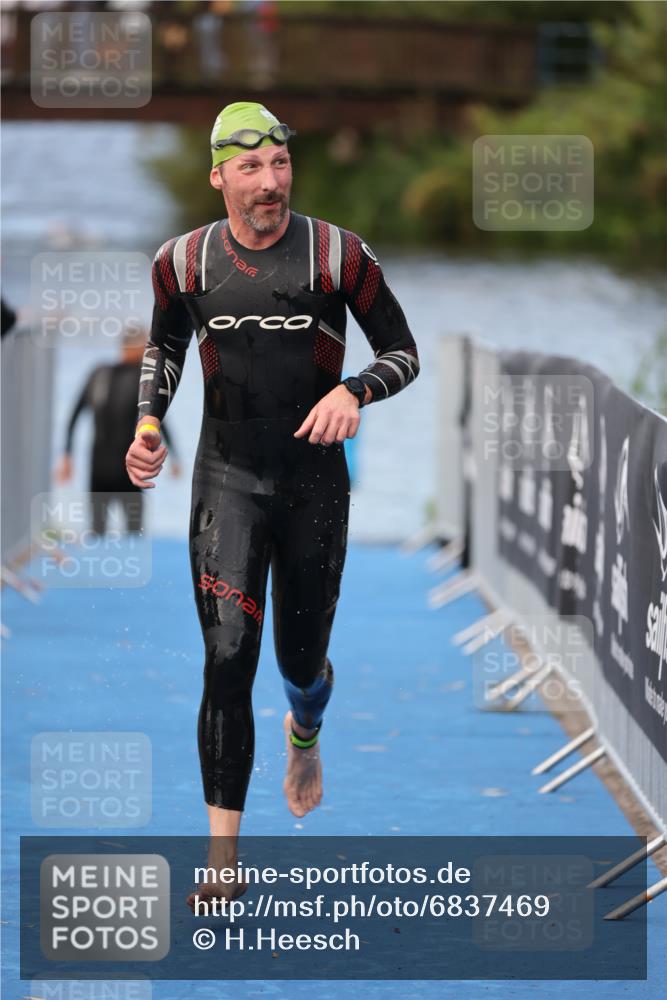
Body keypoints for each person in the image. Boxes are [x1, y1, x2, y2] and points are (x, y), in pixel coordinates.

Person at [124, 102, 420, 907]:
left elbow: (402, 352)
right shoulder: (181, 262)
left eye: (280, 164)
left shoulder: (337, 255)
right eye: (250, 168)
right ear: (218, 175)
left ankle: (306, 733)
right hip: (227, 478)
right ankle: (223, 859)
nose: (269, 182)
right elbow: (165, 345)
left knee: (296, 660)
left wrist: (356, 391)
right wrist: (148, 423)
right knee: (227, 660)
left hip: (314, 483)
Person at [55, 325, 181, 535]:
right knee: (135, 533)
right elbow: (157, 420)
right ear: (139, 348)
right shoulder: (143, 380)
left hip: (98, 467)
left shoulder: (98, 374)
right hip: (129, 468)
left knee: (97, 532)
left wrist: (67, 456)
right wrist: (175, 457)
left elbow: (74, 417)